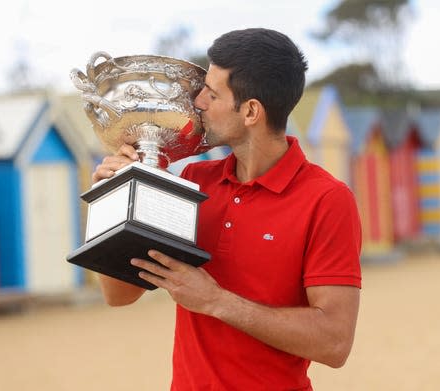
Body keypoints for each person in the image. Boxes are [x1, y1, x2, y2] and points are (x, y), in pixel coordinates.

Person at [92, 28, 362, 390]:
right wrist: (117, 192)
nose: (198, 102)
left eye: (212, 93)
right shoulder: (192, 180)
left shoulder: (327, 199)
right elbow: (118, 295)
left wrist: (217, 301)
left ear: (251, 111)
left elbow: (335, 342)